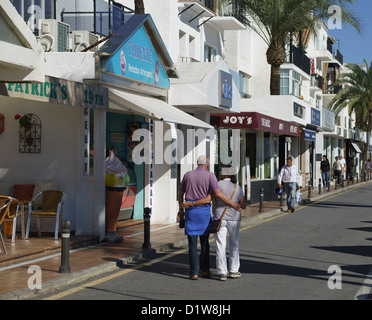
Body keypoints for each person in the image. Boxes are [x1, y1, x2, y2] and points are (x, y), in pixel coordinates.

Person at [177, 156, 240, 280]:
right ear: (207, 164)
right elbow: (214, 195)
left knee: (192, 243)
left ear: (197, 163)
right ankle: (205, 270)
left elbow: (180, 194)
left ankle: (194, 272)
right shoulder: (211, 176)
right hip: (204, 214)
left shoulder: (187, 175)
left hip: (190, 213)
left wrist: (181, 210)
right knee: (205, 242)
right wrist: (232, 203)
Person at [213, 171, 246, 281]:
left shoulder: (217, 184)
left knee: (220, 244)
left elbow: (212, 197)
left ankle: (222, 272)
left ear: (223, 174)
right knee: (234, 243)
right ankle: (234, 270)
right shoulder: (238, 187)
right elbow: (243, 205)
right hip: (234, 218)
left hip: (220, 217)